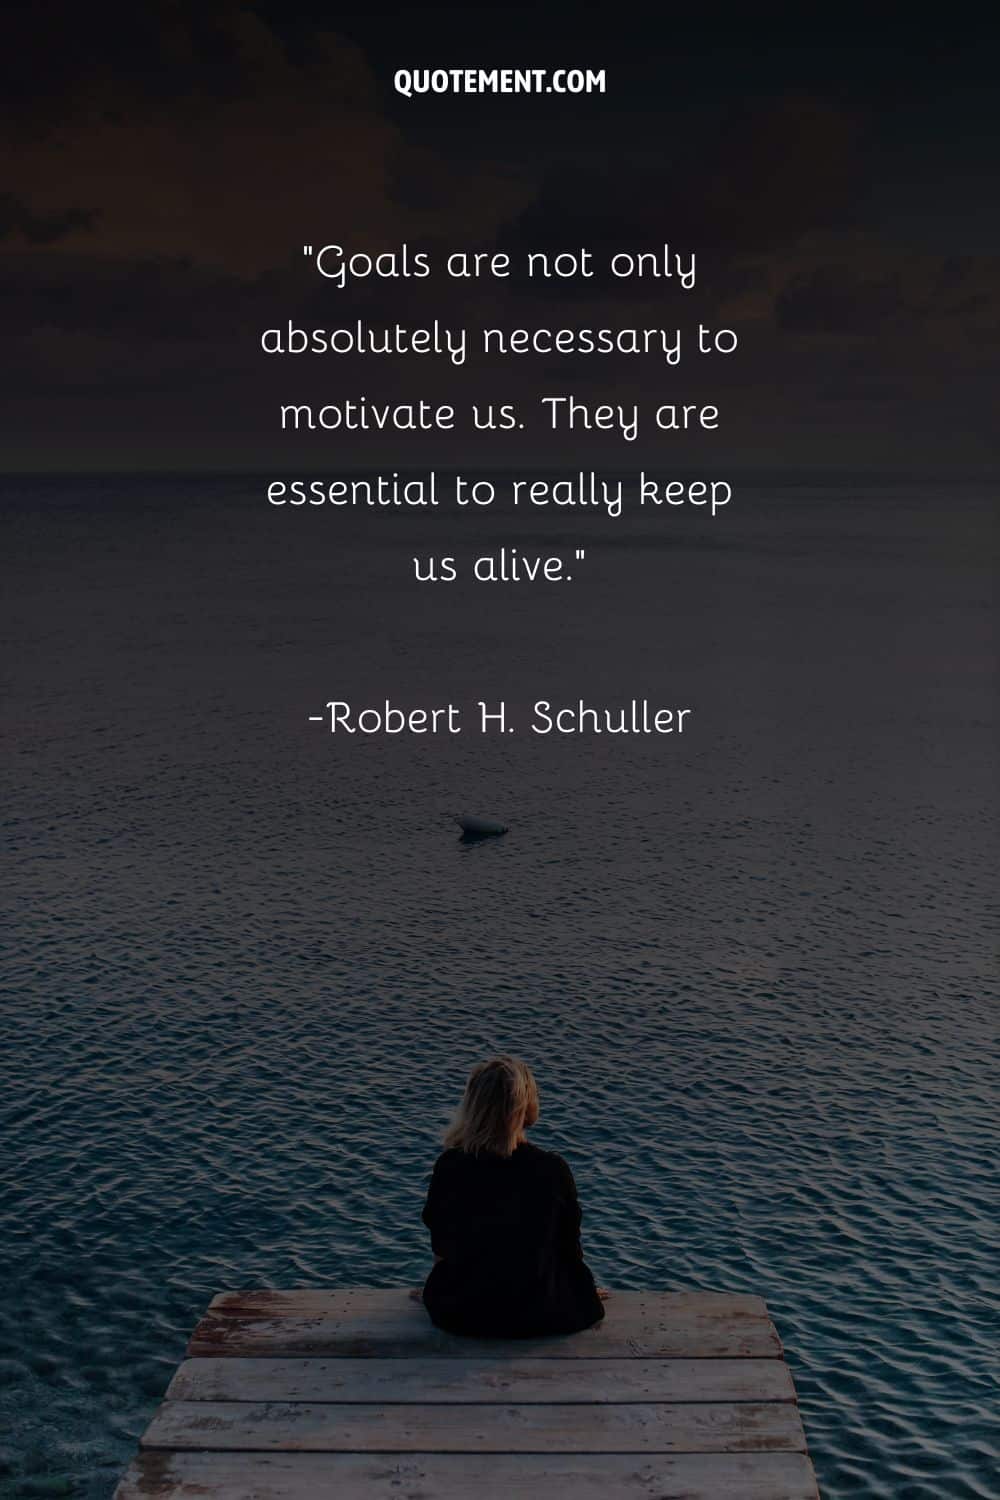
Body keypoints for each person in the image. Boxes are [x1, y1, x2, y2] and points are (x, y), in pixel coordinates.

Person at [418, 1056, 607, 1337]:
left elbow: (442, 1249)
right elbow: (569, 1250)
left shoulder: (451, 1166)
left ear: (473, 1105)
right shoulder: (552, 1170)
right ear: (526, 1108)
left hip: (465, 1314)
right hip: (542, 1314)